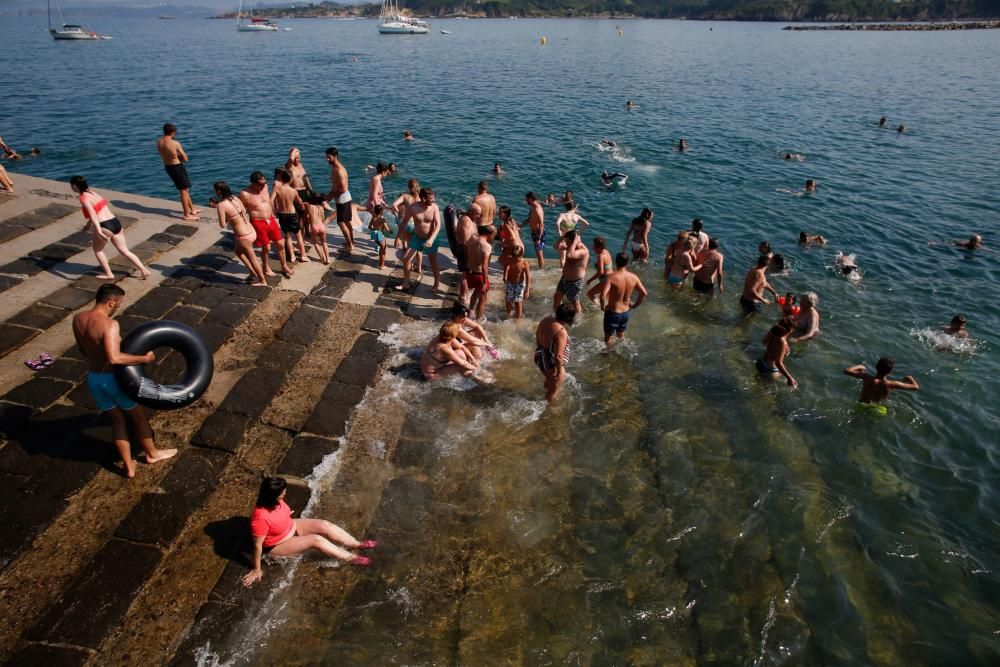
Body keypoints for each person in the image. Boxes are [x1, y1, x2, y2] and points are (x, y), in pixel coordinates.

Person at [72, 284, 177, 478]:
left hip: (94, 378)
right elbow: (115, 358)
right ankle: (152, 454)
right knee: (137, 418)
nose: (118, 307)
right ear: (111, 302)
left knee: (117, 420)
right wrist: (144, 359)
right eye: (118, 303)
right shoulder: (110, 325)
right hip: (112, 379)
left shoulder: (78, 319)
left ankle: (129, 467)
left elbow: (82, 350)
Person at [242, 476, 374, 587]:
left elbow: (278, 515)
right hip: (277, 544)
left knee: (324, 525)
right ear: (273, 496)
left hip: (291, 526)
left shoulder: (276, 501)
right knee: (316, 540)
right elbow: (257, 545)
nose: (285, 493)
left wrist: (285, 517)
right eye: (282, 492)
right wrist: (256, 570)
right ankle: (351, 558)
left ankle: (357, 544)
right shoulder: (260, 517)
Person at [70, 176, 151, 281]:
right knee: (125, 250)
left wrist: (98, 230)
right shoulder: (93, 193)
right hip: (115, 222)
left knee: (98, 251)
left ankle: (109, 274)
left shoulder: (83, 198)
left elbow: (93, 215)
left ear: (75, 186)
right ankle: (144, 270)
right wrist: (87, 225)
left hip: (104, 226)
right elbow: (98, 210)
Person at [213, 181, 267, 286]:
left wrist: (228, 217)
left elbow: (222, 225)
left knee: (253, 259)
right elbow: (244, 211)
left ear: (219, 192)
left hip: (243, 236)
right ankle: (252, 272)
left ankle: (262, 281)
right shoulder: (235, 198)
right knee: (238, 251)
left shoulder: (220, 205)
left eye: (215, 190)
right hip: (251, 230)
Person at [240, 171, 292, 278]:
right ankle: (265, 267)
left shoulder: (266, 187)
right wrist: (245, 225)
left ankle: (284, 266)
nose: (263, 186)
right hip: (258, 222)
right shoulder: (245, 193)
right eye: (261, 184)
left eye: (264, 183)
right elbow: (242, 210)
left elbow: (270, 200)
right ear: (253, 183)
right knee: (267, 248)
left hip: (271, 220)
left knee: (281, 244)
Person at [601, 252, 647, 347]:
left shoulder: (611, 277)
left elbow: (602, 295)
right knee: (620, 337)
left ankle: (607, 357)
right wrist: (634, 306)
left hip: (613, 313)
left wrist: (603, 307)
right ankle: (620, 358)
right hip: (625, 313)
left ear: (616, 262)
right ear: (627, 263)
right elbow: (644, 293)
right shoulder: (634, 277)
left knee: (607, 340)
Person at [399, 187, 441, 292]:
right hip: (417, 238)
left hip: (431, 239)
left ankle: (436, 284)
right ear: (423, 198)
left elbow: (438, 225)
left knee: (433, 262)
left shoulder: (434, 207)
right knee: (406, 259)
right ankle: (406, 283)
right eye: (431, 198)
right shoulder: (413, 208)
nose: (433, 200)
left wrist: (431, 239)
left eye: (433, 198)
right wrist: (398, 238)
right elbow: (404, 222)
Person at [156, 123, 200, 221]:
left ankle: (192, 209)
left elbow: (163, 154)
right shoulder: (175, 143)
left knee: (185, 189)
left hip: (168, 167)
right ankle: (186, 215)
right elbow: (185, 158)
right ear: (172, 132)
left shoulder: (159, 142)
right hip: (177, 167)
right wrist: (180, 158)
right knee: (183, 191)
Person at [844, 357, 919, 413]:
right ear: (890, 371)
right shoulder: (891, 384)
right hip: (877, 410)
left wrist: (860, 366)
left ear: (876, 367)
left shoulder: (866, 377)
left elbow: (847, 371)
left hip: (861, 406)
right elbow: (916, 387)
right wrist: (910, 378)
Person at [535, 303, 576, 402]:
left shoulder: (546, 320)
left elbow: (537, 337)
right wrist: (558, 371)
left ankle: (543, 392)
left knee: (550, 379)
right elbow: (558, 356)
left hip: (539, 354)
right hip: (549, 360)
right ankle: (546, 410)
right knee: (555, 388)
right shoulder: (561, 331)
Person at [272, 168, 308, 264]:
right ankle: (303, 255)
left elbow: (271, 200)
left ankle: (292, 256)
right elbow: (300, 203)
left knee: (287, 236)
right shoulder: (293, 191)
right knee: (298, 235)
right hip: (292, 214)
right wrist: (302, 206)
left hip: (282, 214)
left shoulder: (277, 189)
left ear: (282, 179)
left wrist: (274, 210)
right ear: (290, 179)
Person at [324, 147, 354, 253]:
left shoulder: (339, 170)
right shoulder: (335, 168)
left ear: (335, 157)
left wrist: (330, 196)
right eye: (326, 157)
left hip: (343, 199)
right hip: (344, 198)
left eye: (329, 157)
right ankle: (351, 242)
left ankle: (350, 245)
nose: (327, 159)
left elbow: (343, 188)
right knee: (347, 222)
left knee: (341, 223)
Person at [554, 230, 589, 313]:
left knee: (574, 302)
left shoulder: (583, 250)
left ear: (573, 241)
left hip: (575, 282)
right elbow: (556, 246)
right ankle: (556, 313)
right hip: (564, 279)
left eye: (567, 241)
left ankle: (578, 318)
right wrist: (562, 237)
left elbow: (570, 255)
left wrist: (574, 242)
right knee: (557, 296)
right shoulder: (570, 246)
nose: (566, 243)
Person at [756, 320, 797, 388]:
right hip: (769, 369)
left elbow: (764, 342)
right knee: (765, 394)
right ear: (790, 330)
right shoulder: (782, 342)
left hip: (761, 362)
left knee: (758, 384)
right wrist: (789, 378)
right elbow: (778, 363)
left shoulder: (774, 331)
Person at [466, 224, 494, 320]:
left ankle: (469, 311)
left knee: (475, 292)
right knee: (482, 298)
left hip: (469, 272)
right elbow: (484, 265)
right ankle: (479, 319)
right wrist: (485, 282)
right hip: (479, 275)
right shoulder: (486, 246)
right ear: (490, 234)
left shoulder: (472, 239)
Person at [555, 201, 590, 267]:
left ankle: (564, 272)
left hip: (564, 238)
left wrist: (559, 231)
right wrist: (579, 231)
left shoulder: (562, 215)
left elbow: (557, 223)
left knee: (563, 258)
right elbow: (586, 224)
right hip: (573, 239)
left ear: (566, 207)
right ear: (573, 208)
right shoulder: (576, 216)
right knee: (573, 256)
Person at [392, 177, 421, 252]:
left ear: (408, 187)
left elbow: (394, 205)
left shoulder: (405, 196)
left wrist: (398, 212)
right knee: (416, 245)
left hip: (407, 223)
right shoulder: (421, 197)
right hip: (417, 223)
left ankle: (408, 260)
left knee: (409, 243)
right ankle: (417, 263)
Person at [303, 192, 332, 265]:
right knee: (324, 242)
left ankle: (322, 259)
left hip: (314, 227)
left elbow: (306, 216)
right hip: (322, 226)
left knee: (316, 243)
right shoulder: (321, 207)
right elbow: (322, 218)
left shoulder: (310, 207)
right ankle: (328, 259)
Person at [586, 236, 614, 308]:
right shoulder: (607, 252)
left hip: (606, 280)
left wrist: (590, 280)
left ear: (599, 247)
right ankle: (605, 308)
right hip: (613, 278)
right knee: (606, 298)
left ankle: (599, 308)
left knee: (589, 294)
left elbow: (601, 272)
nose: (593, 248)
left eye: (594, 246)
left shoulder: (601, 256)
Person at [504, 246, 531, 320]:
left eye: (516, 258)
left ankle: (518, 318)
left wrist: (527, 290)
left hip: (519, 284)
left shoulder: (524, 263)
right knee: (508, 300)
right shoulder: (509, 259)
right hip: (510, 283)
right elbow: (506, 266)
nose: (515, 259)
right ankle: (508, 315)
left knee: (518, 302)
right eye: (513, 257)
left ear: (521, 255)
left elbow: (528, 277)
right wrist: (505, 275)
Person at [522, 191, 546, 269]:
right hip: (534, 232)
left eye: (527, 200)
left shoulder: (537, 208)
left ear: (531, 199)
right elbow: (530, 218)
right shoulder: (532, 206)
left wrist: (539, 237)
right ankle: (541, 267)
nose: (526, 202)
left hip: (538, 233)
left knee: (539, 253)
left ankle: (541, 269)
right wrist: (521, 225)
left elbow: (541, 224)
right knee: (538, 252)